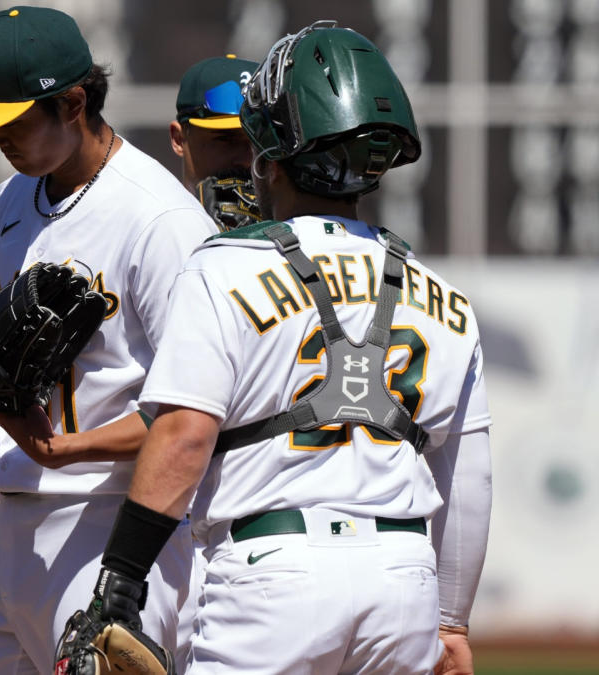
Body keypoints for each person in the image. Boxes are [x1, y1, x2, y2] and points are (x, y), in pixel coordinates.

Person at [66, 22, 492, 675]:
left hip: (272, 572)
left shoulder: (225, 267)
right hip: (402, 581)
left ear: (268, 154)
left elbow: (182, 434)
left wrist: (120, 580)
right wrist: (453, 621)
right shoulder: (445, 297)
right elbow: (466, 476)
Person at [0, 7, 218, 673]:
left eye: (12, 118)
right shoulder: (8, 204)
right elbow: (9, 372)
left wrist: (67, 450)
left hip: (111, 524)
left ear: (74, 102)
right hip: (14, 531)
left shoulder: (162, 220)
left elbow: (194, 412)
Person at [169, 54, 258, 195]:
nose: (247, 160)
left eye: (259, 143)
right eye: (227, 139)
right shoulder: (153, 214)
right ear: (178, 139)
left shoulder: (297, 217)